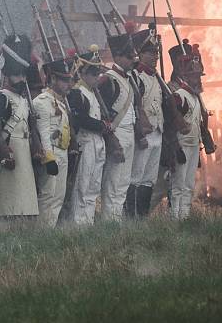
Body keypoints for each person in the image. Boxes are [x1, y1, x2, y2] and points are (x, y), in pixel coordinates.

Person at [0, 34, 39, 221]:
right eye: (18, 75)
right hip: (9, 151)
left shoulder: (24, 98)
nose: (22, 79)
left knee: (24, 201)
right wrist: (3, 151)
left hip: (24, 151)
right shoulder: (1, 97)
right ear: (8, 75)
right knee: (7, 202)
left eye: (23, 75)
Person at [98, 32, 137, 221]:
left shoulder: (128, 79)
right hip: (117, 133)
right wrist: (111, 139)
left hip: (129, 133)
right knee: (113, 181)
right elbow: (102, 113)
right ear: (118, 56)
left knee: (124, 181)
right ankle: (109, 221)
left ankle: (116, 218)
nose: (132, 60)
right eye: (129, 56)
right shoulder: (108, 79)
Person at [67, 46, 109, 225]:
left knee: (93, 186)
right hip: (85, 139)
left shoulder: (91, 93)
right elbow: (81, 120)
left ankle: (88, 221)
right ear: (82, 72)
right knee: (82, 186)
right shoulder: (77, 92)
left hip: (97, 141)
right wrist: (101, 125)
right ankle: (78, 224)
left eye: (97, 73)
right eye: (93, 73)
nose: (96, 77)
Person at [126, 25, 163, 218]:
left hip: (158, 133)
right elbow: (134, 107)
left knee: (149, 179)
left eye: (156, 52)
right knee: (136, 177)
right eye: (150, 52)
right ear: (139, 53)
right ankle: (131, 217)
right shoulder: (136, 76)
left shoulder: (155, 77)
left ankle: (142, 216)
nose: (155, 56)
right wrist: (140, 133)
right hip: (143, 134)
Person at [33, 56, 73, 227]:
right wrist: (49, 159)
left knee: (58, 196)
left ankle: (50, 229)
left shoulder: (60, 102)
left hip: (62, 151)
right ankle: (42, 232)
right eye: (63, 80)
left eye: (68, 80)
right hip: (51, 153)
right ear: (53, 79)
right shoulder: (42, 102)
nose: (67, 84)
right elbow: (43, 133)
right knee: (48, 196)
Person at [167, 39, 204, 219]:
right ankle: (175, 219)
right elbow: (173, 125)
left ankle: (185, 217)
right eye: (194, 76)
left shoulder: (195, 97)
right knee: (178, 186)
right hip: (182, 145)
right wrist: (176, 149)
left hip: (194, 145)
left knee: (188, 185)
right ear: (187, 77)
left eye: (198, 76)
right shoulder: (179, 96)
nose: (198, 79)